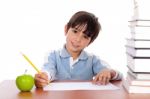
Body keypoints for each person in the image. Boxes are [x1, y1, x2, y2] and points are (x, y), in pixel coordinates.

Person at [34, 11, 122, 88]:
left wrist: (109, 73)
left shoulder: (92, 60)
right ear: (66, 29)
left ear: (90, 42)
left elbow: (118, 75)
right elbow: (48, 70)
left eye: (85, 36)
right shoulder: (53, 55)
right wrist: (44, 77)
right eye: (75, 31)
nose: (78, 39)